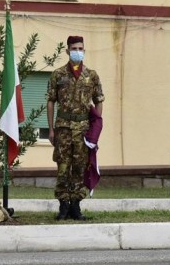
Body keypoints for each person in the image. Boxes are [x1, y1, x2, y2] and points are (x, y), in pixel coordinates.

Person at [46, 36, 105, 220]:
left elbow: (99, 100)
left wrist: (95, 127)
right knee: (63, 167)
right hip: (63, 128)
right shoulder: (58, 74)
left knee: (80, 168)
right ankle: (63, 206)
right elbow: (50, 101)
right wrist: (50, 129)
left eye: (80, 48)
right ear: (67, 51)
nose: (77, 51)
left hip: (82, 130)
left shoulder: (91, 75)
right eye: (74, 48)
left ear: (84, 51)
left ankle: (76, 206)